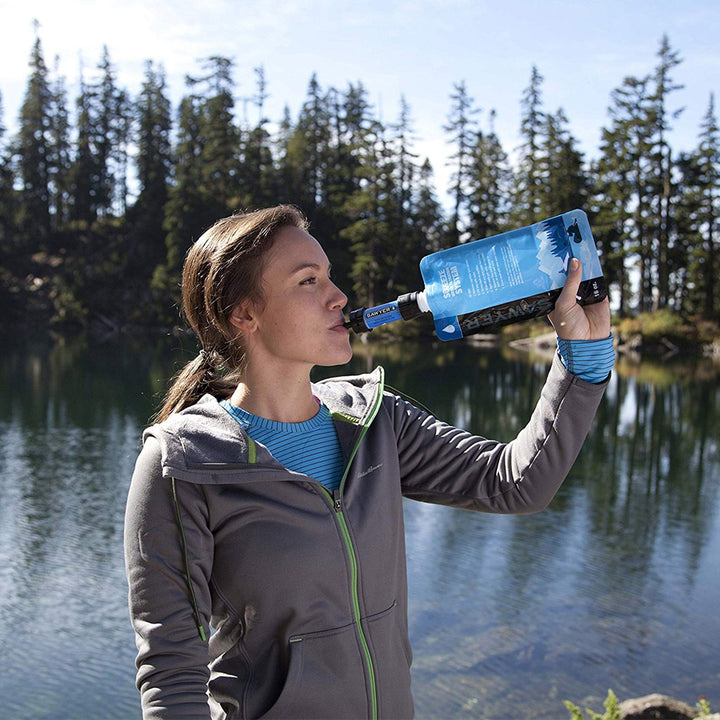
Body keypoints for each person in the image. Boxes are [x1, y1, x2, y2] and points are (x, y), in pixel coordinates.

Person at [124, 205, 614, 720]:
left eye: (330, 277)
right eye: (309, 281)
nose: (339, 297)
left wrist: (584, 351)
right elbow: (172, 674)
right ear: (244, 315)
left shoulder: (378, 420)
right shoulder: (182, 465)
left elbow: (516, 484)